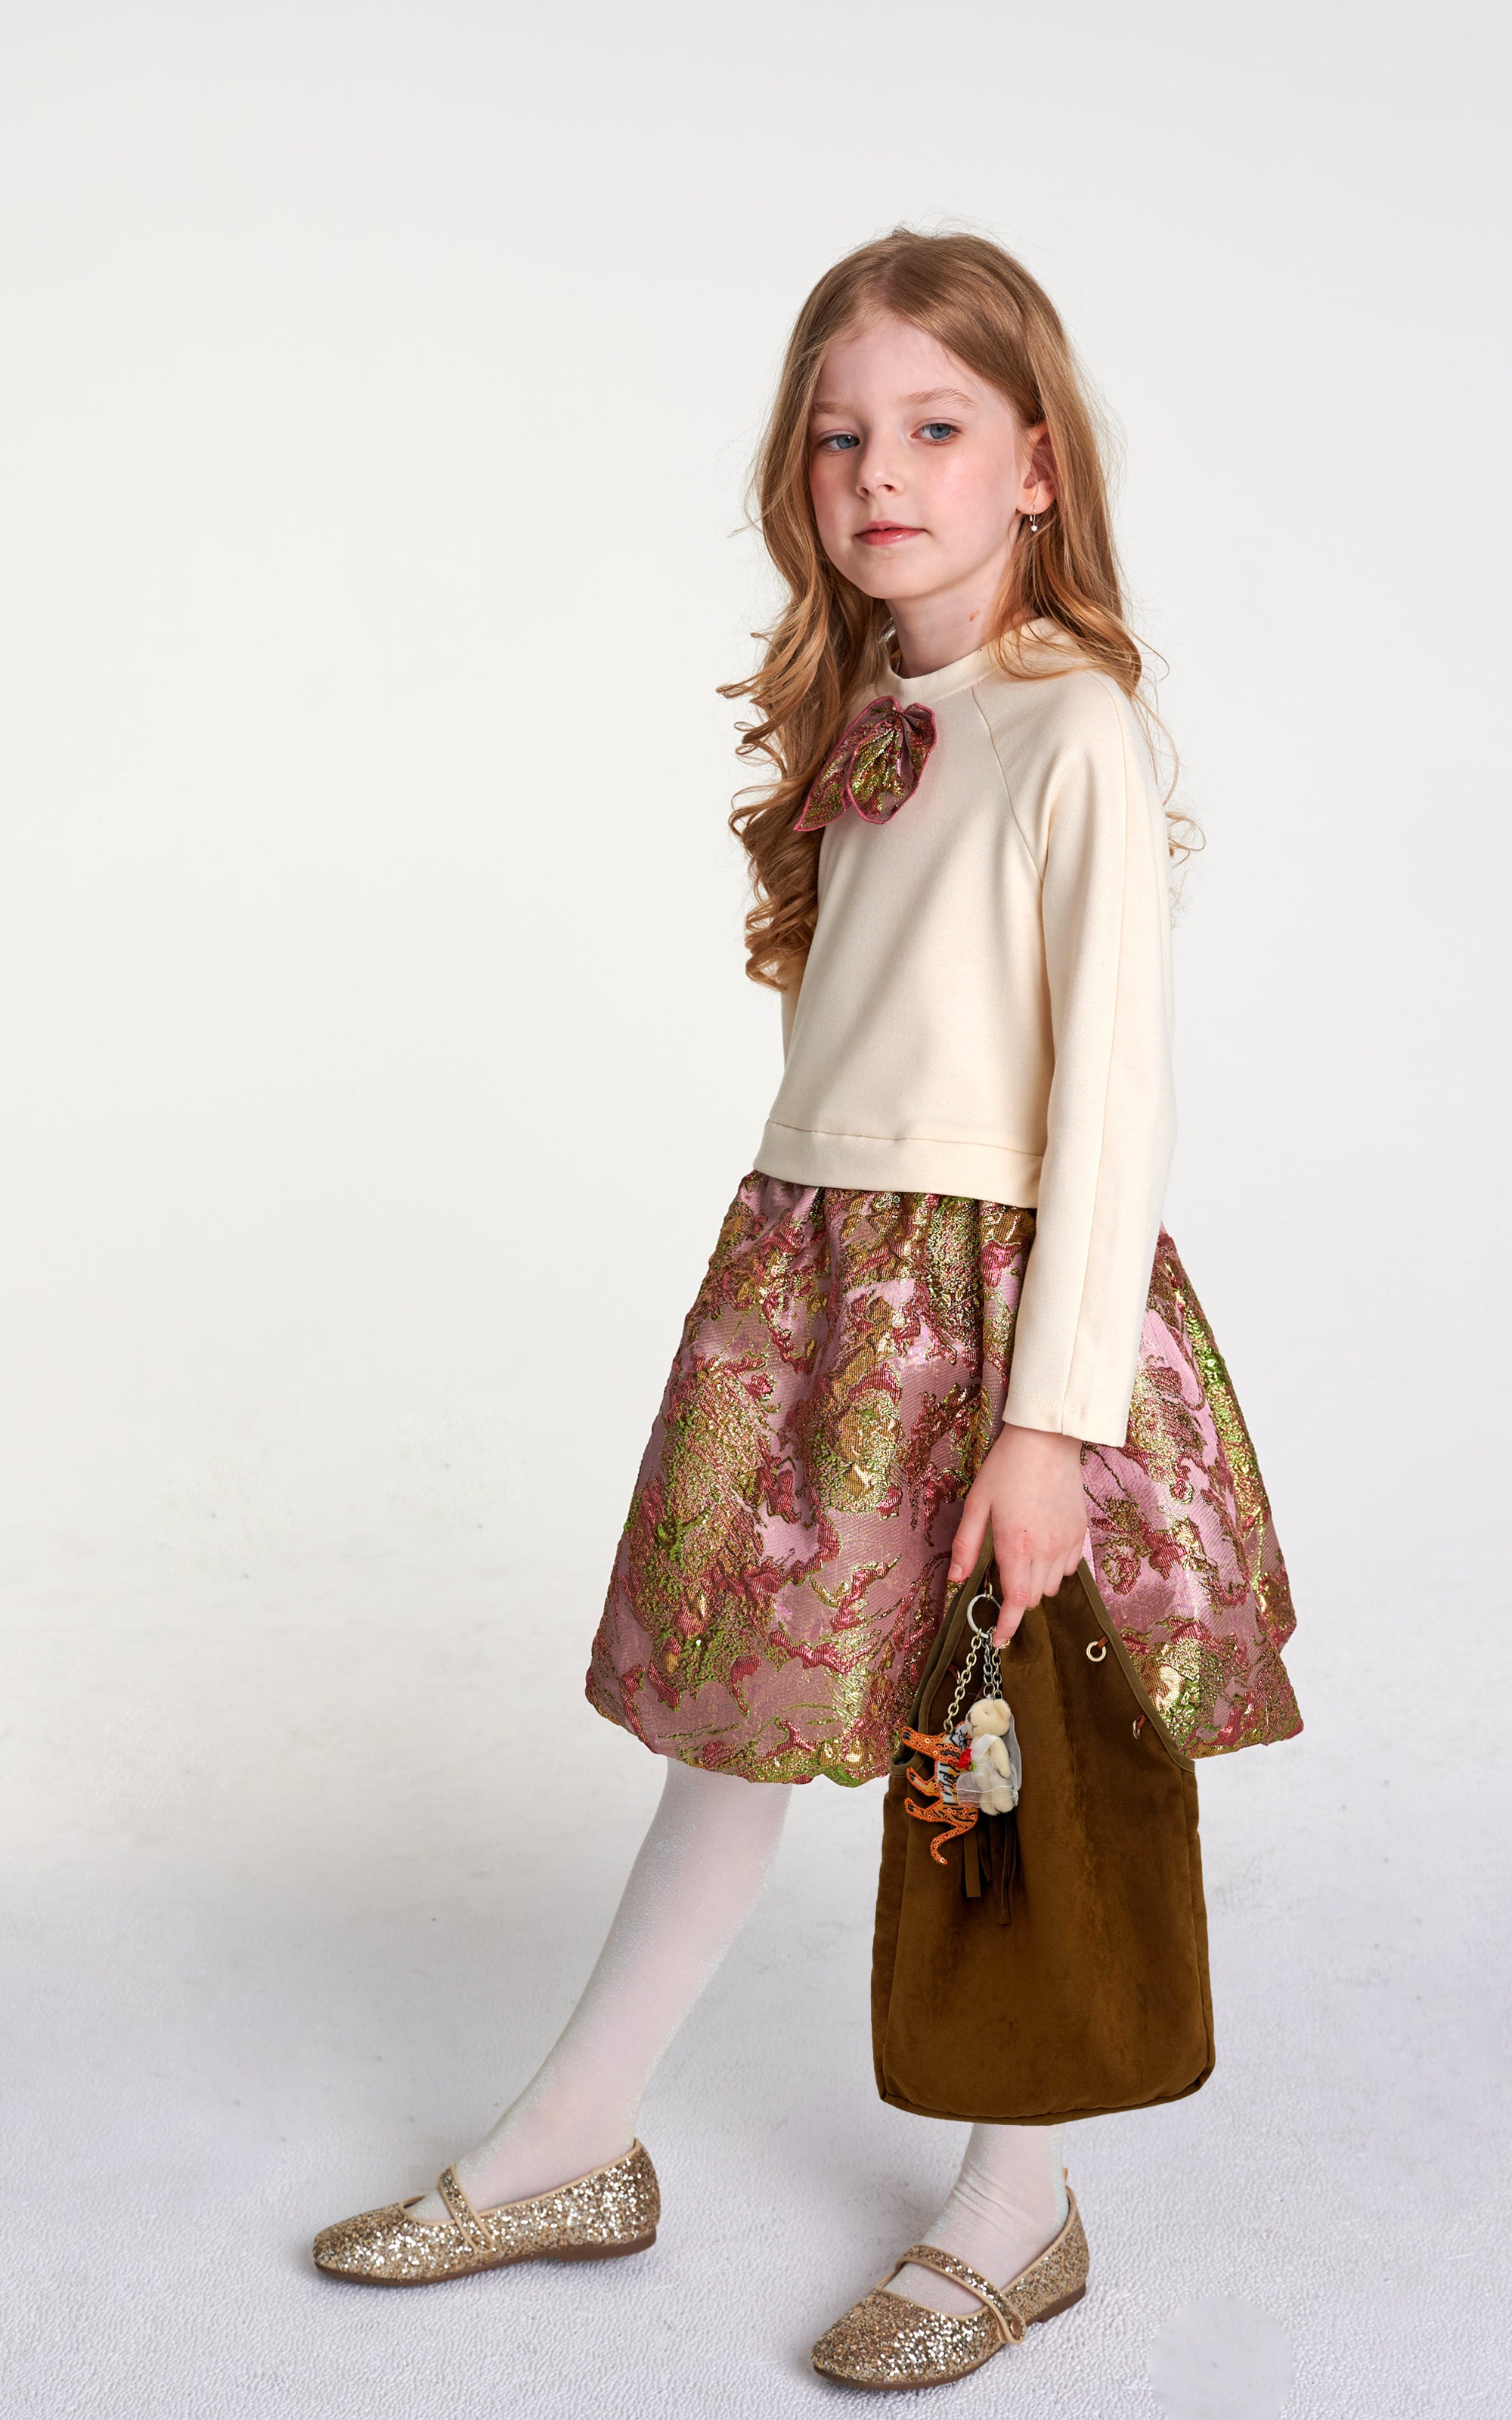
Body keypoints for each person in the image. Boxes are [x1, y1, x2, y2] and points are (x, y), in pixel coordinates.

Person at [311, 228, 1300, 2391]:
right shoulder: (875, 723)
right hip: (826, 1290)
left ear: (1036, 465)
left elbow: (1112, 1104)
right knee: (734, 1723)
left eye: (937, 428)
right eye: (842, 437)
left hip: (1002, 1310)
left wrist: (1049, 1425)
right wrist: (802, 1292)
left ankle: (1019, 2202)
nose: (882, 473)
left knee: (1006, 1754)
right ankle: (575, 2139)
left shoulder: (1074, 729)